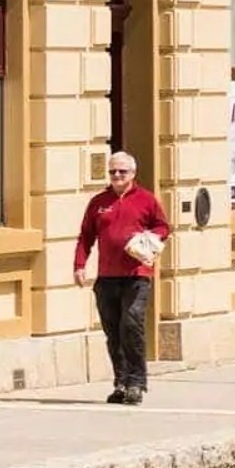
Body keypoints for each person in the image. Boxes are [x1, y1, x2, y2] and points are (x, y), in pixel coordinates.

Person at [74, 151, 169, 405]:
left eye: (122, 172)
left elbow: (163, 227)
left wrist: (149, 240)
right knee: (113, 332)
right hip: (106, 277)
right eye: (113, 171)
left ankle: (137, 382)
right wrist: (80, 265)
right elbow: (85, 236)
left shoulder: (146, 200)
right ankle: (121, 382)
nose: (117, 176)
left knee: (131, 324)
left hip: (136, 275)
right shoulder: (99, 202)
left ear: (133, 174)